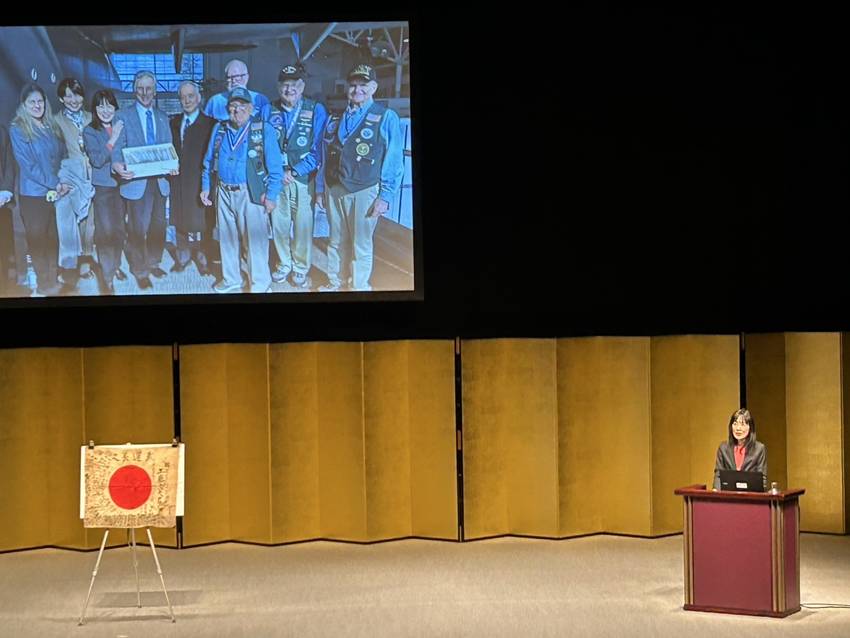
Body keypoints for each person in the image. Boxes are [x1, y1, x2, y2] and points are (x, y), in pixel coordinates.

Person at [317, 63, 404, 291]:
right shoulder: (336, 117)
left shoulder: (386, 117)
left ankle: (358, 288)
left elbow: (394, 159)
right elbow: (325, 155)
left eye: (363, 85)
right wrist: (320, 187)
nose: (357, 90)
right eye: (353, 86)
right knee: (335, 240)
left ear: (373, 87)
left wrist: (385, 196)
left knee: (361, 244)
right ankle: (335, 282)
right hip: (335, 187)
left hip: (365, 190)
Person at [200, 87, 282, 293]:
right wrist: (205, 186)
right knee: (226, 238)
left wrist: (271, 196)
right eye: (233, 106)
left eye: (242, 106)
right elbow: (208, 160)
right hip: (223, 191)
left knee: (255, 241)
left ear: (251, 108)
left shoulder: (263, 129)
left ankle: (260, 285)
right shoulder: (219, 129)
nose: (237, 110)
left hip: (250, 192)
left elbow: (276, 167)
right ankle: (231, 280)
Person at [261, 63, 327, 288]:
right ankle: (283, 263)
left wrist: (295, 170)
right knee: (278, 225)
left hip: (302, 179)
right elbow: (263, 146)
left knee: (302, 226)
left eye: (294, 85)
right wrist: (279, 172)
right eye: (284, 85)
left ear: (302, 86)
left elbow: (318, 149)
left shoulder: (315, 109)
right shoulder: (268, 109)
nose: (289, 90)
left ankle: (300, 268)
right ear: (278, 87)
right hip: (276, 179)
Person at [110, 70, 175, 290]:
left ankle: (154, 261)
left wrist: (173, 164)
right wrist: (117, 165)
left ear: (155, 91)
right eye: (140, 88)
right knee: (138, 227)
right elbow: (116, 148)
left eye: (149, 88)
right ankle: (139, 269)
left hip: (160, 181)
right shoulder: (122, 117)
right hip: (136, 182)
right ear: (134, 90)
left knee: (159, 225)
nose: (145, 93)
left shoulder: (162, 117)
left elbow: (169, 148)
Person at [9, 83, 70, 296]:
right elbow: (29, 166)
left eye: (40, 101)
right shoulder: (17, 128)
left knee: (53, 237)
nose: (37, 105)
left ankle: (53, 279)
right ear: (24, 105)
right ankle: (45, 284)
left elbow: (62, 154)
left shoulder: (50, 125)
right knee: (38, 240)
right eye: (32, 102)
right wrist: (55, 183)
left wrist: (62, 179)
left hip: (54, 191)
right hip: (33, 195)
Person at [169, 80, 216, 276]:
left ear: (198, 98)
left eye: (190, 96)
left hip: (200, 180)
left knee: (204, 219)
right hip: (178, 180)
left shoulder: (211, 124)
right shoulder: (173, 123)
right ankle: (183, 255)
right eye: (183, 97)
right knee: (179, 217)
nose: (186, 100)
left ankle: (204, 255)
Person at [83, 89, 126, 295]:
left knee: (119, 231)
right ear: (95, 109)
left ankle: (115, 266)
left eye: (109, 105)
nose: (105, 110)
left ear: (115, 107)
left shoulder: (122, 125)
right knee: (105, 232)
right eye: (100, 106)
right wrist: (113, 138)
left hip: (124, 186)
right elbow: (97, 160)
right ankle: (107, 277)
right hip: (103, 188)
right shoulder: (90, 131)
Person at [55, 77, 95, 287]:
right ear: (61, 98)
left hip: (91, 176)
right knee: (68, 225)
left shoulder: (91, 117)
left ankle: (85, 263)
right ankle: (68, 267)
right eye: (68, 95)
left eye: (77, 94)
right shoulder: (55, 121)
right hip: (69, 177)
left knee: (89, 224)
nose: (73, 99)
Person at [713, 408, 767, 491]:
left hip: (751, 497)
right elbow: (718, 475)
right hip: (728, 496)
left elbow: (762, 478)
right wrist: (716, 492)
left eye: (742, 424)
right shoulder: (723, 448)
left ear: (750, 428)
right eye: (735, 424)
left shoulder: (759, 449)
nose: (738, 428)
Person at [203, 59, 269, 122]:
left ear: (246, 77)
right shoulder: (215, 102)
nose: (234, 81)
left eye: (237, 76)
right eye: (229, 77)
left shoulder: (261, 100)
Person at [0, 124, 19, 295]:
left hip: (0, 202)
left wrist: (5, 190)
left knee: (3, 252)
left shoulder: (1, 129)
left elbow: (8, 161)